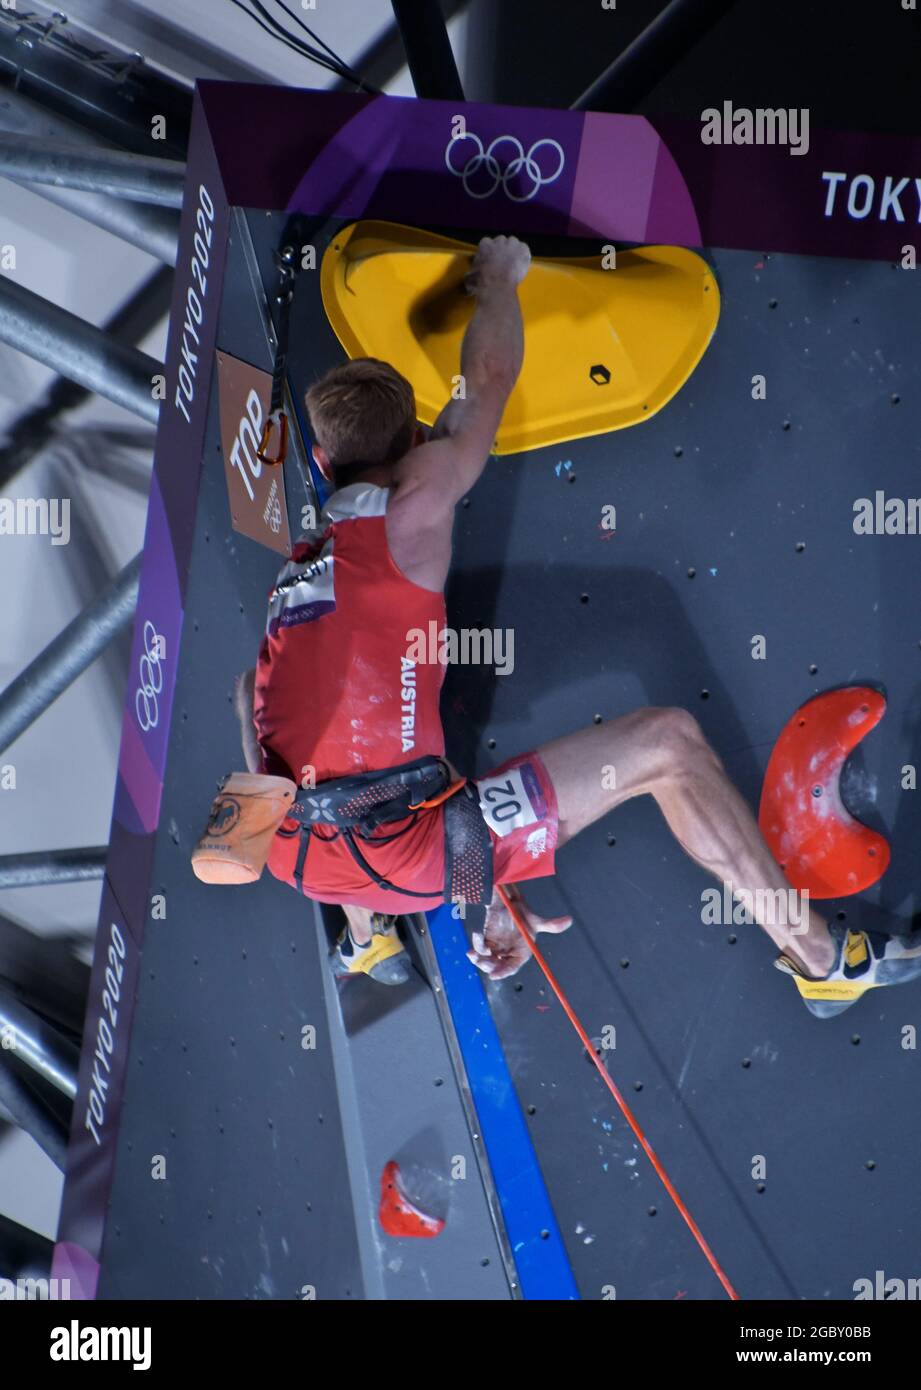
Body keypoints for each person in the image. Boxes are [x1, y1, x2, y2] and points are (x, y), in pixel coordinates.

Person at [237, 233, 921, 1016]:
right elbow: (485, 382)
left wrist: (479, 875)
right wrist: (498, 273)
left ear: (320, 464)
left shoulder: (296, 572)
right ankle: (819, 958)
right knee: (667, 746)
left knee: (301, 733)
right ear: (416, 446)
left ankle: (364, 936)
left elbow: (267, 710)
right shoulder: (413, 506)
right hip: (406, 852)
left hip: (295, 857)